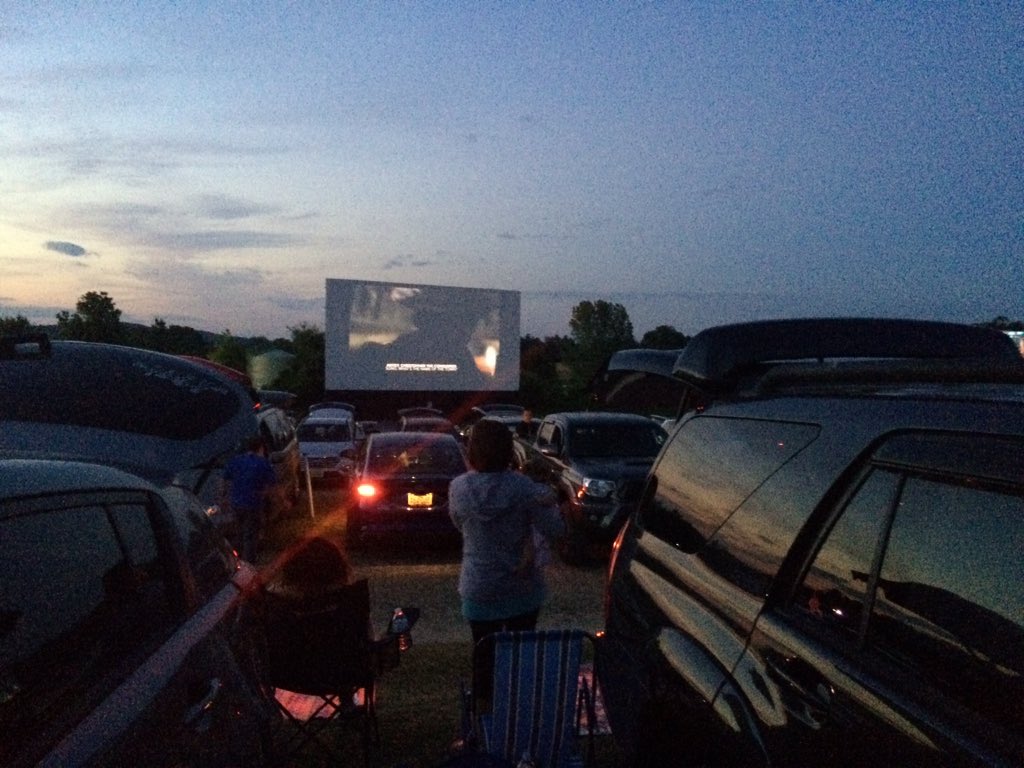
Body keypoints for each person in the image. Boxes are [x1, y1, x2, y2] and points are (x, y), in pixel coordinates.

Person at [448, 418, 565, 705]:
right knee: (520, 661)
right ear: (508, 450)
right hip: (521, 591)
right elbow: (555, 531)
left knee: (484, 658)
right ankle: (518, 716)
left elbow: (458, 524)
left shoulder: (459, 488)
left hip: (479, 589)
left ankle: (486, 720)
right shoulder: (524, 488)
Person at [220, 435, 277, 563]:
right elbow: (272, 485)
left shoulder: (236, 460)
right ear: (261, 448)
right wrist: (274, 498)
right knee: (250, 535)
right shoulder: (263, 463)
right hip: (253, 503)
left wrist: (223, 497)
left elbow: (224, 479)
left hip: (236, 503)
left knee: (239, 532)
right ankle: (248, 563)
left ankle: (236, 559)